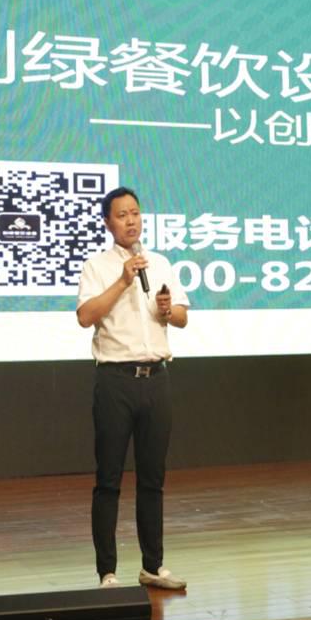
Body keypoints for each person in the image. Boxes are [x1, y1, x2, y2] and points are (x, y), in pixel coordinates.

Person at [77, 187, 189, 590]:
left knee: (152, 479)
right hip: (115, 381)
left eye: (136, 213)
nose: (131, 221)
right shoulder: (97, 266)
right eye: (122, 215)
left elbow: (181, 317)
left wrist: (168, 311)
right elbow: (85, 316)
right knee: (109, 479)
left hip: (156, 379)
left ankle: (152, 566)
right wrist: (123, 281)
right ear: (108, 222)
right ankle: (107, 572)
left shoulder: (160, 263)